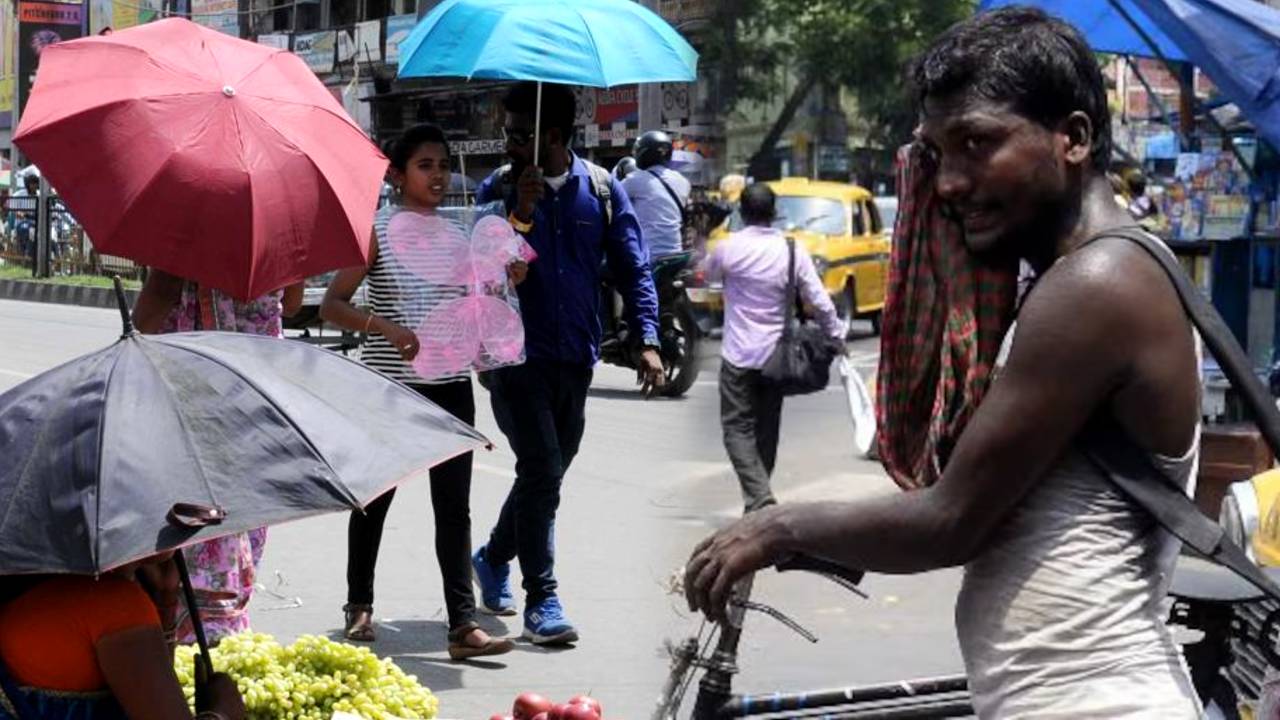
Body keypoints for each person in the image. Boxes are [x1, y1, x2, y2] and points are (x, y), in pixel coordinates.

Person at [684, 8, 1203, 718]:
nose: (950, 183)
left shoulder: (1096, 285)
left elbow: (949, 520)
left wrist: (775, 528)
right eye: (936, 153)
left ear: (1073, 138)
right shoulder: (1077, 276)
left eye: (977, 143)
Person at [471, 81, 664, 646]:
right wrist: (521, 214)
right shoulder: (497, 189)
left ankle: (493, 555)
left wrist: (646, 338)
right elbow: (479, 271)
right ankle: (543, 598)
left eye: (515, 133)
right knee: (542, 468)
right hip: (513, 358)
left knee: (547, 472)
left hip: (576, 356)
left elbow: (634, 268)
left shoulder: (602, 189)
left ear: (551, 136)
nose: (506, 142)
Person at [319, 123, 518, 661]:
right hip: (389, 390)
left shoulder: (458, 236)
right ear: (397, 174)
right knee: (374, 500)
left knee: (454, 509)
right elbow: (331, 305)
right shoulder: (376, 229)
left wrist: (503, 283)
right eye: (425, 165)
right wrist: (383, 327)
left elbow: (471, 311)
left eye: (443, 164)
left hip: (450, 388)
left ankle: (461, 626)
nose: (438, 175)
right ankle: (358, 603)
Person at [131, 273, 303, 645]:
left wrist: (129, 341)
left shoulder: (187, 231)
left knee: (190, 509)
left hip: (193, 383)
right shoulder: (276, 236)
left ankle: (191, 630)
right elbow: (290, 303)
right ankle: (221, 628)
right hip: (258, 385)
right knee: (241, 508)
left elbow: (158, 296)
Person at [707, 182, 842, 513]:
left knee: (736, 429)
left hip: (738, 354)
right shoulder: (792, 250)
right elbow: (819, 301)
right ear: (774, 213)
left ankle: (758, 500)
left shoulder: (726, 248)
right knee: (767, 430)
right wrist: (836, 334)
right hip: (775, 356)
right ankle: (758, 502)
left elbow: (709, 281)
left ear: (741, 212)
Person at [0, 553, 247, 719]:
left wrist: (164, 601)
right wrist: (222, 712)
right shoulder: (114, 604)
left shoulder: (33, 587)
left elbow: (140, 692)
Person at [622, 131, 692, 261]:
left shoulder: (634, 180)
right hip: (676, 254)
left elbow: (610, 200)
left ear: (644, 153)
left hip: (649, 256)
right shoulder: (683, 181)